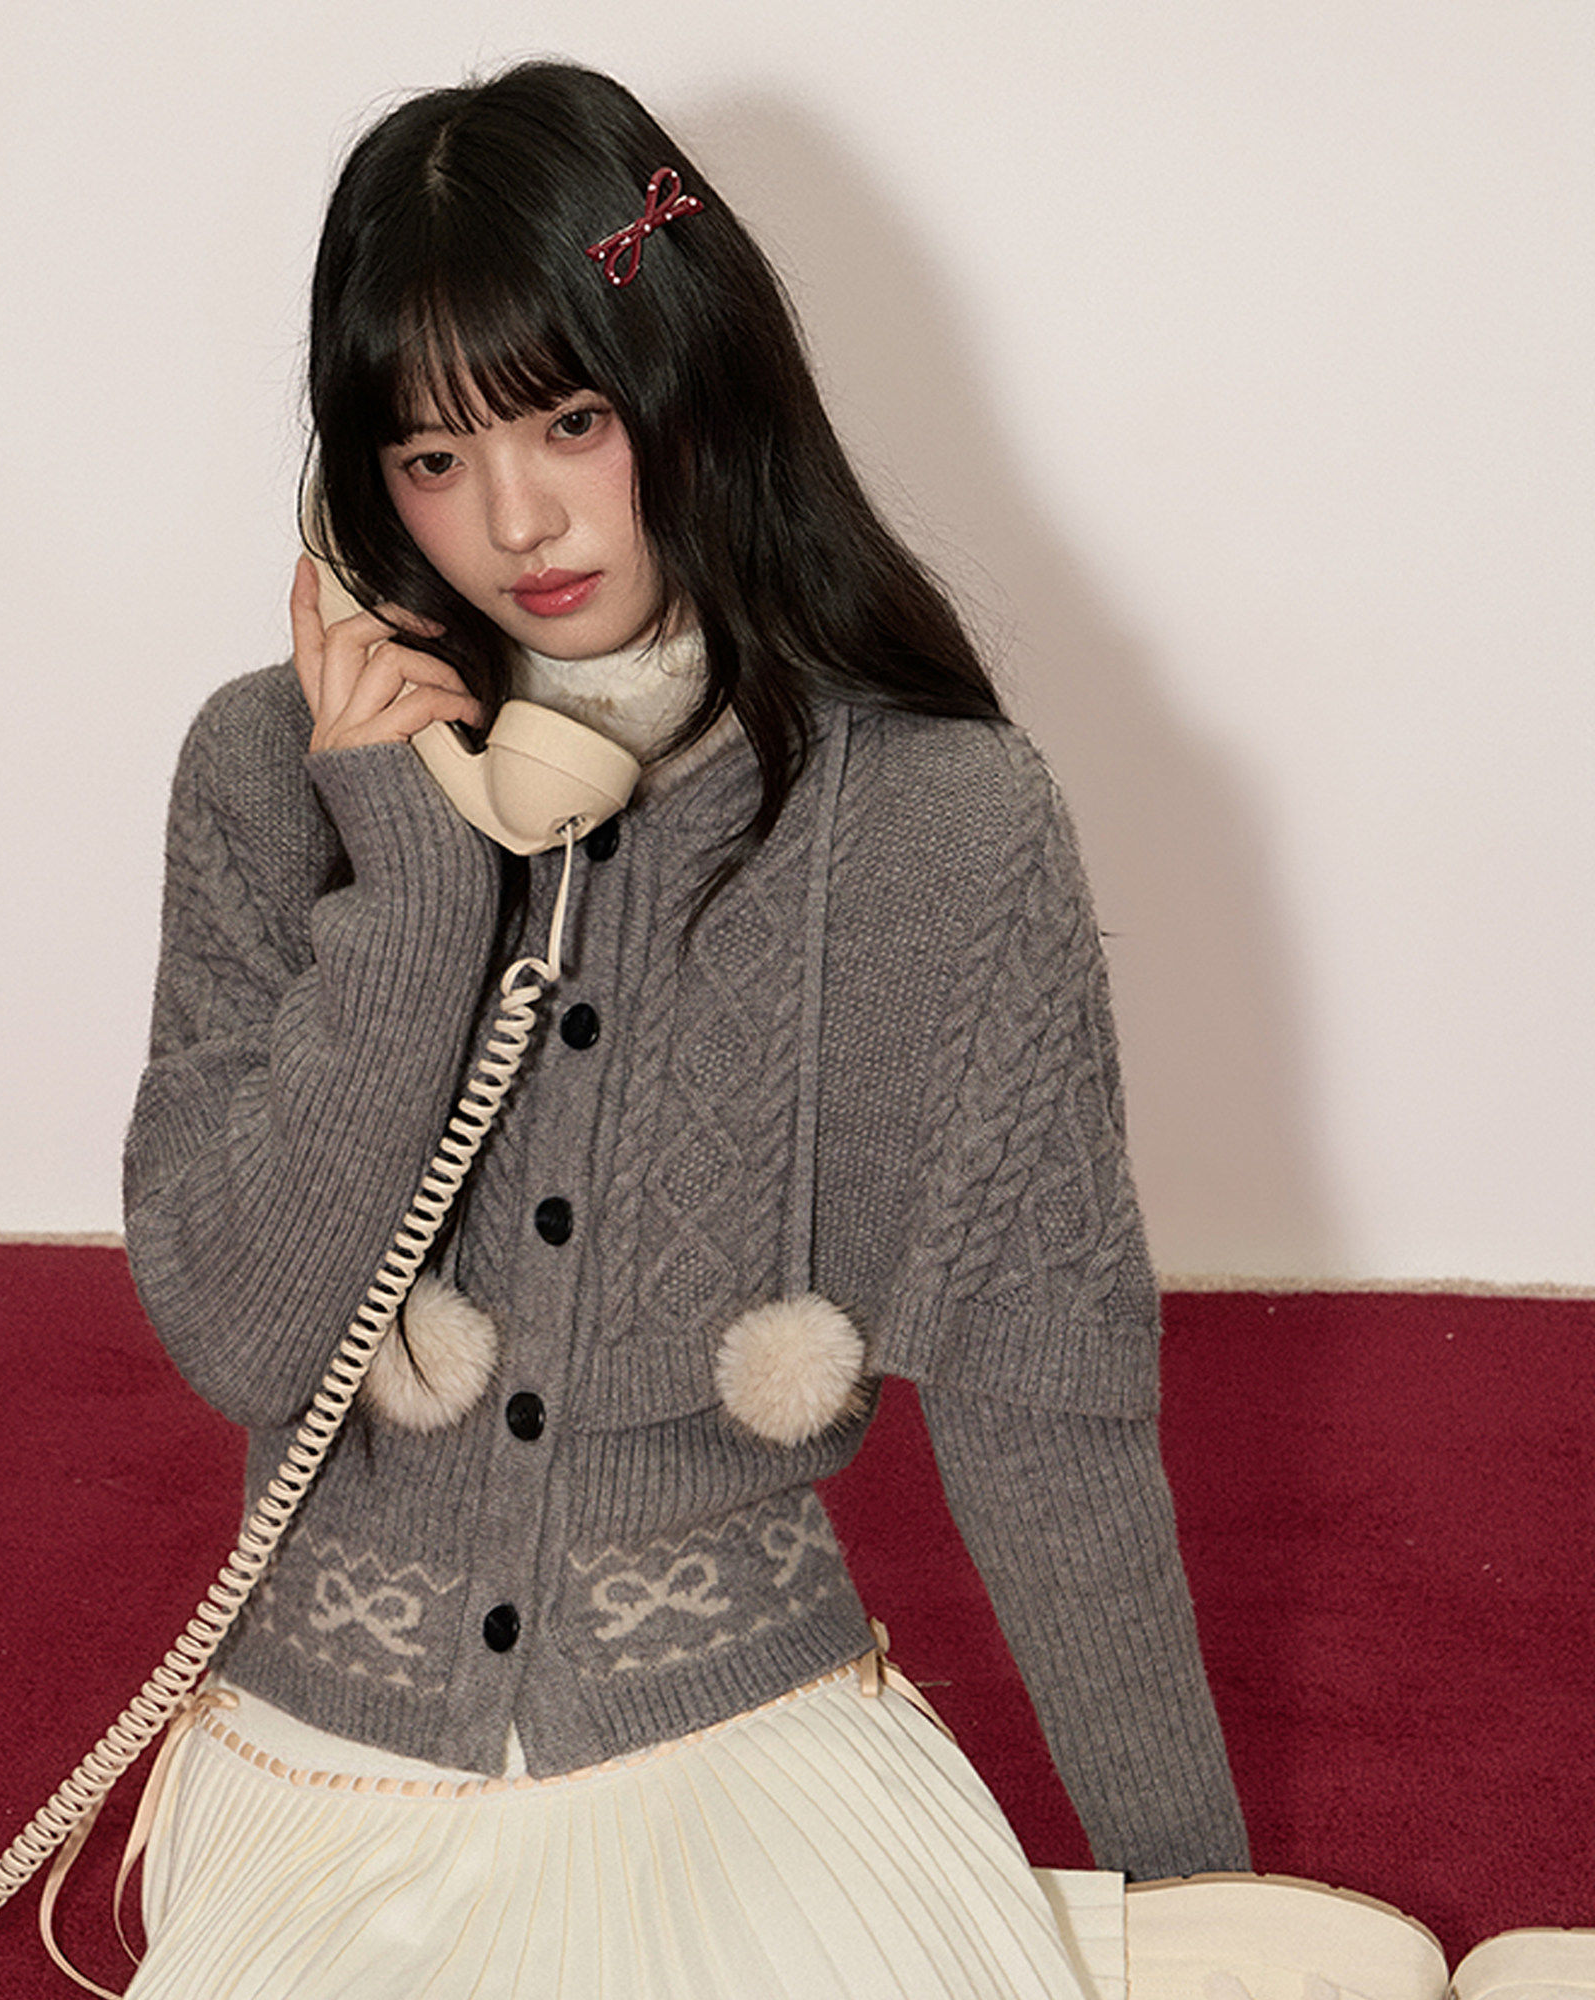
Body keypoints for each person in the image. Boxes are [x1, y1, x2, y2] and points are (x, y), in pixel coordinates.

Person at [119, 59, 1247, 1999]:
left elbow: (1045, 1406)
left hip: (741, 1736)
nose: (516, 520)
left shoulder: (941, 822)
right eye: (432, 457)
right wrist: (412, 892)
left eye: (569, 419)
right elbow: (242, 1335)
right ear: (357, 492)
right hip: (331, 1763)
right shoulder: (270, 773)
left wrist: (1205, 1902)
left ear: (695, 384)